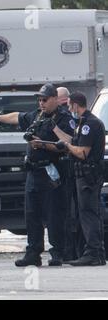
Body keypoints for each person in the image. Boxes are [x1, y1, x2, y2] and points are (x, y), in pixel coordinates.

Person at [0, 83, 74, 267]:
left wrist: (42, 145)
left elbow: (67, 143)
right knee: (32, 214)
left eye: (45, 99)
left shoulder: (64, 118)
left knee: (54, 214)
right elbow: (17, 116)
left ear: (55, 99)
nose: (41, 103)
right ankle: (33, 253)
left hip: (52, 172)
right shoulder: (37, 115)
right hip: (34, 172)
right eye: (39, 99)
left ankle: (57, 253)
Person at [62, 92, 106, 266]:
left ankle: (93, 253)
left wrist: (67, 147)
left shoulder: (90, 124)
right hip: (85, 176)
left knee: (88, 214)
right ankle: (96, 252)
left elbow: (82, 152)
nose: (68, 109)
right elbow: (75, 143)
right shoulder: (83, 123)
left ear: (75, 105)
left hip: (88, 177)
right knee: (89, 213)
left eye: (69, 106)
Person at [55, 87, 84, 261]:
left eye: (65, 103)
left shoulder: (71, 118)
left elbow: (72, 141)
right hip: (65, 171)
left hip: (74, 171)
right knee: (66, 213)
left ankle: (74, 251)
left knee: (75, 214)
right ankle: (69, 250)